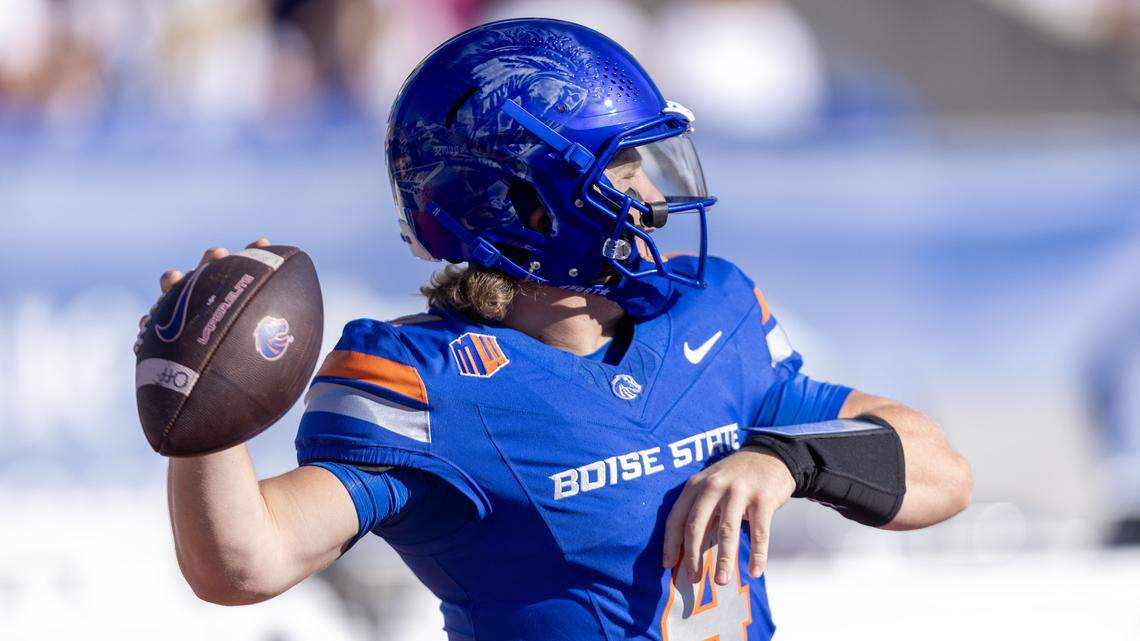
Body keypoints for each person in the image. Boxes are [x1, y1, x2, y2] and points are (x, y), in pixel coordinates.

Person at [148, 18, 972, 641]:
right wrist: (205, 403)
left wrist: (788, 458)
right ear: (523, 203)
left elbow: (941, 471)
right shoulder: (429, 381)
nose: (648, 196)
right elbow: (243, 563)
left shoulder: (708, 312)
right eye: (617, 168)